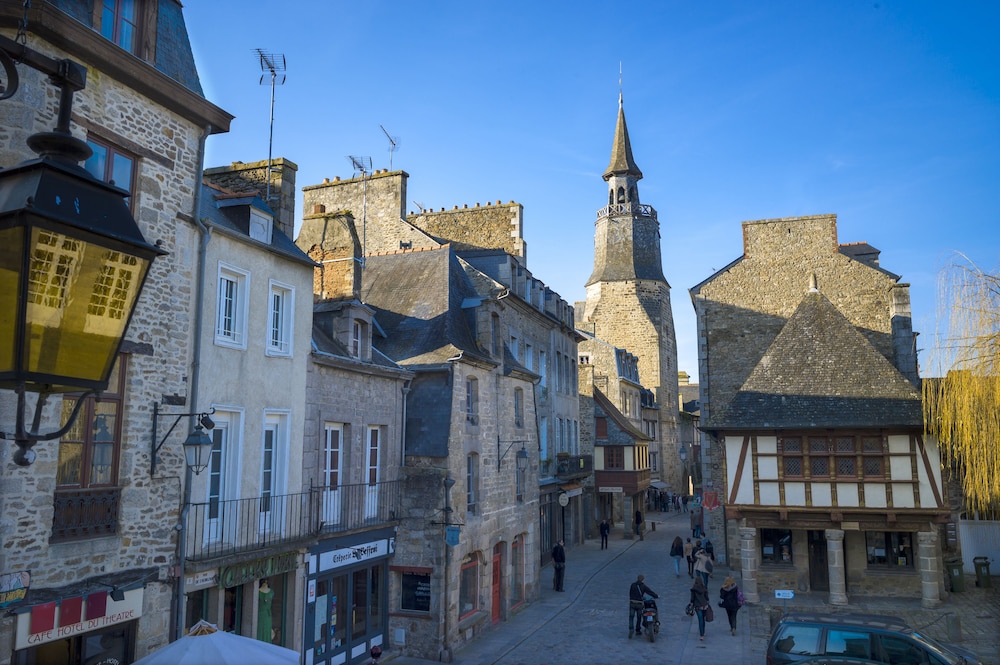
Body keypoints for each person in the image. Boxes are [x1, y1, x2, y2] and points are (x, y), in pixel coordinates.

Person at [628, 574, 658, 638]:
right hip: (639, 604)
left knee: (631, 617)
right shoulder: (643, 586)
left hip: (632, 603)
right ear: (643, 580)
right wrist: (656, 596)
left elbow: (630, 593)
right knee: (639, 617)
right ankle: (638, 630)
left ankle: (631, 629)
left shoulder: (633, 585)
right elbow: (650, 592)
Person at [690, 576, 710, 641]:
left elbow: (692, 598)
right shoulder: (704, 588)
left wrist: (691, 603)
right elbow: (707, 597)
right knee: (703, 619)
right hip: (704, 605)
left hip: (698, 605)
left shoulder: (694, 589)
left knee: (700, 619)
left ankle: (701, 635)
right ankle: (703, 631)